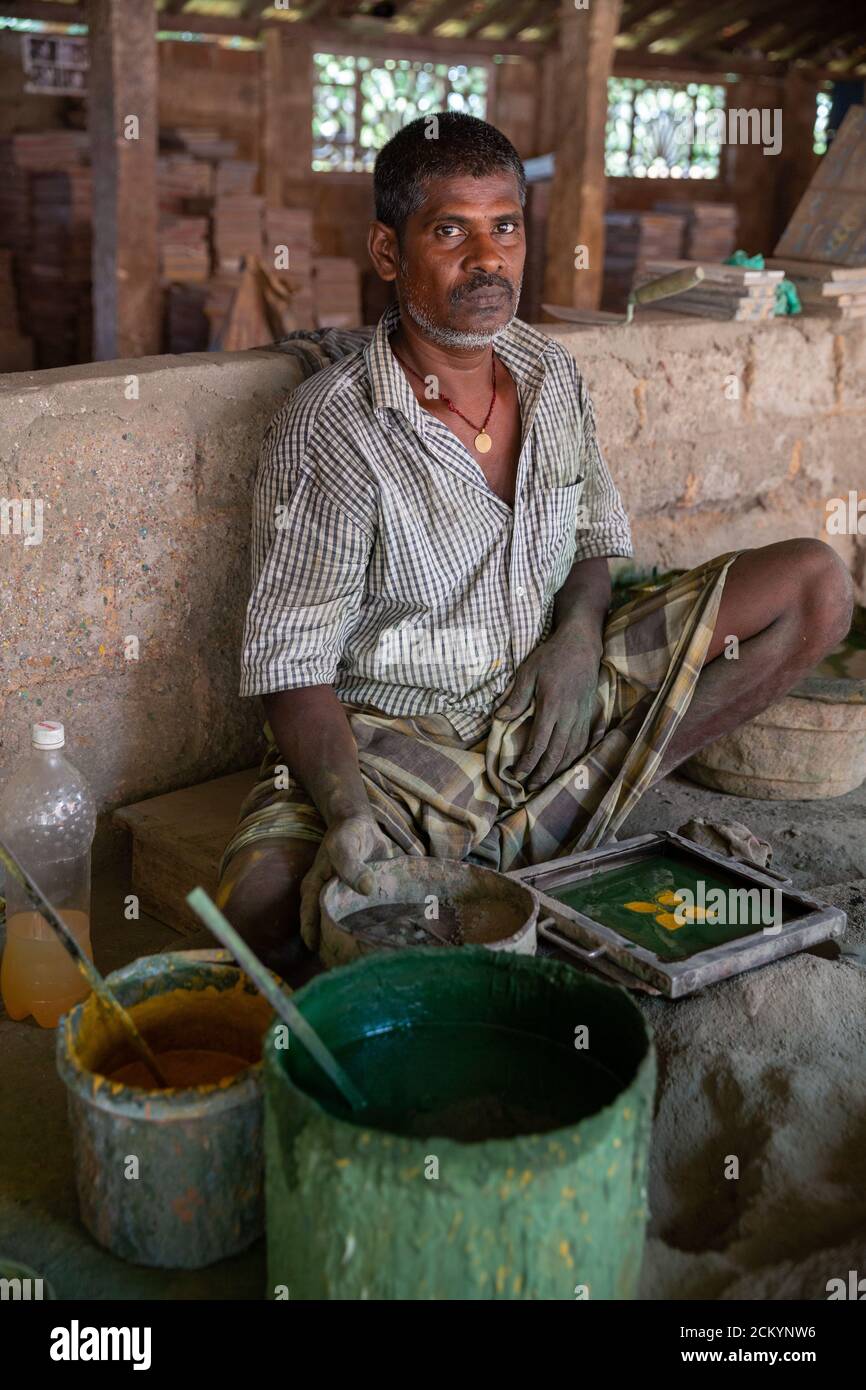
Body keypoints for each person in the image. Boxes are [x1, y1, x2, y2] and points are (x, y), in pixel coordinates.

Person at [215, 113, 853, 983]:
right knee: (262, 903)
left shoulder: (551, 375)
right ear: (388, 251)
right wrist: (348, 813)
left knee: (815, 585)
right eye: (450, 230)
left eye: (505, 227)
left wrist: (579, 635)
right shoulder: (331, 432)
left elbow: (594, 535)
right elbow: (292, 666)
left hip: (555, 690)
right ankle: (551, 823)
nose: (488, 259)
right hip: (405, 742)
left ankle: (589, 799)